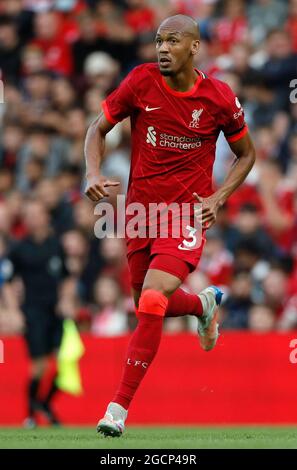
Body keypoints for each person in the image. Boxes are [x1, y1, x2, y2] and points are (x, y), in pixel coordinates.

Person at [84, 14, 256, 437]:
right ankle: (202, 305)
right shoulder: (140, 82)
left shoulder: (218, 97)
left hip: (186, 214)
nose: (162, 48)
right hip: (140, 214)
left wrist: (218, 198)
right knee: (147, 300)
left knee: (152, 303)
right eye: (159, 41)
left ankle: (117, 411)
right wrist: (91, 172)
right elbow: (97, 127)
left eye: (172, 41)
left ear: (194, 47)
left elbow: (246, 154)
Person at [7, 199, 67, 428]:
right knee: (39, 365)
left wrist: (66, 300)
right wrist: (13, 311)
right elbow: (7, 281)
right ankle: (31, 414)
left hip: (56, 311)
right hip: (33, 311)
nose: (31, 218)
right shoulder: (19, 248)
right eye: (28, 215)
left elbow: (66, 277)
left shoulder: (55, 245)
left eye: (36, 213)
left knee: (62, 366)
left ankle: (44, 403)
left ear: (45, 217)